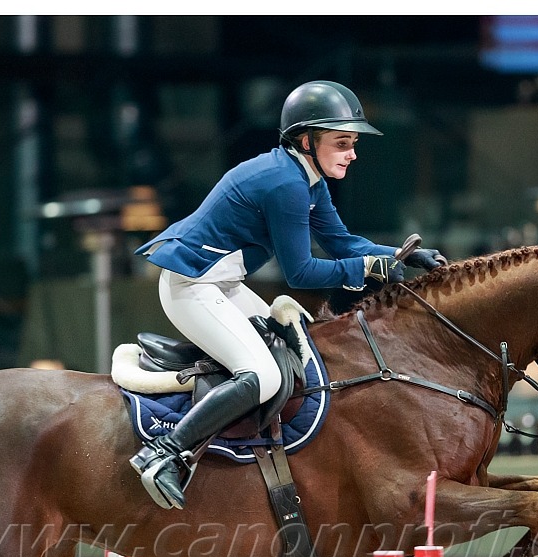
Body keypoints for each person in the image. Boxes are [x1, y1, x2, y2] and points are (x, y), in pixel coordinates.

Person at [130, 79, 444, 510]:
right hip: (193, 286)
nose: (352, 153)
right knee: (263, 375)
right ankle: (165, 451)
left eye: (353, 142)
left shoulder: (306, 179)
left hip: (219, 284)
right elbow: (301, 272)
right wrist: (368, 268)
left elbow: (341, 242)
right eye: (342, 143)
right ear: (307, 140)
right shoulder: (285, 185)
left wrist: (402, 256)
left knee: (293, 354)